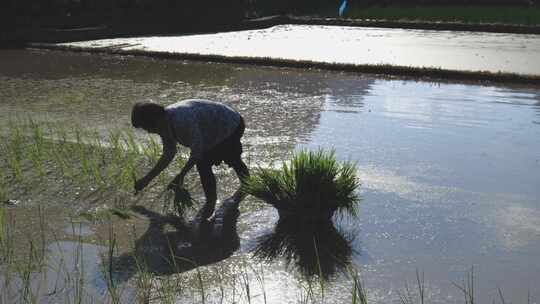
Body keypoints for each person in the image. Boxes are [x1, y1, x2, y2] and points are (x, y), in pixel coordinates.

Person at [131, 99, 250, 220]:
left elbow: (197, 153)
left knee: (219, 160)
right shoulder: (163, 124)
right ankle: (211, 203)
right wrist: (146, 179)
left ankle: (242, 188)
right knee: (205, 161)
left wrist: (181, 176)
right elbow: (168, 154)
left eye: (147, 127)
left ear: (154, 120)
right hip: (210, 128)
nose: (149, 132)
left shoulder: (182, 121)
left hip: (231, 123)